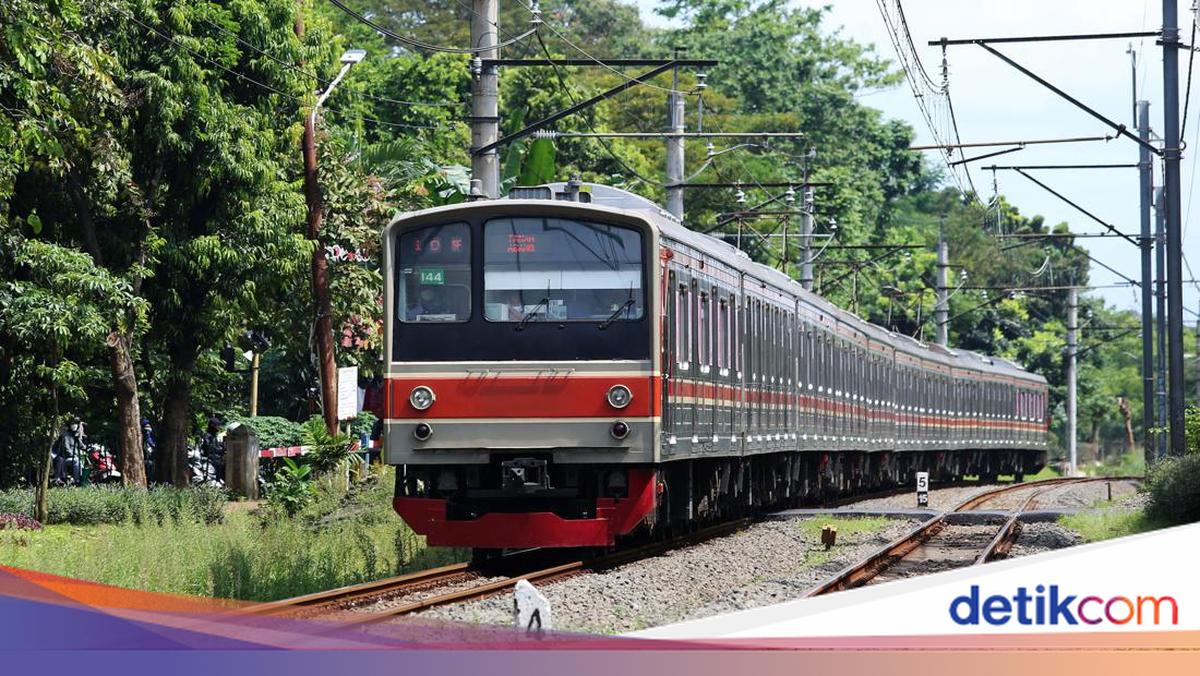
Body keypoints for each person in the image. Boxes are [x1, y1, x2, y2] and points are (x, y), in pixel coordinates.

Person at [52, 418, 85, 486]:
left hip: (75, 455)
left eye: (75, 423)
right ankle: (77, 480)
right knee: (76, 461)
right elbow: (66, 449)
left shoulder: (75, 435)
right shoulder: (66, 435)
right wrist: (74, 454)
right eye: (72, 424)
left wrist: (90, 448)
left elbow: (81, 445)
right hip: (66, 457)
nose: (74, 425)